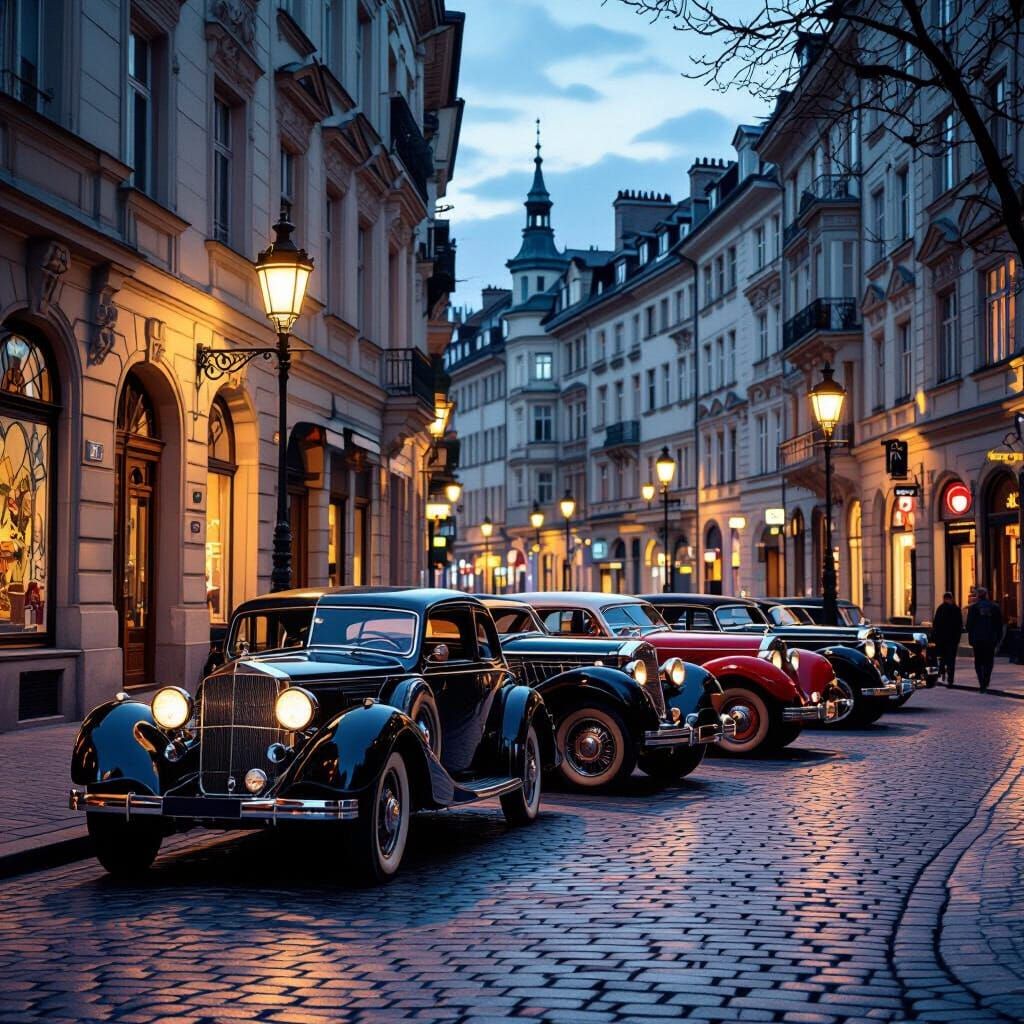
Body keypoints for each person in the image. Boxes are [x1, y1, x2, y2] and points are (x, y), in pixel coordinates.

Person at [965, 587, 1003, 692]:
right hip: (990, 639)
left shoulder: (973, 608)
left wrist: (971, 637)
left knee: (978, 661)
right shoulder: (994, 607)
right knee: (988, 661)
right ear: (987, 595)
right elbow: (999, 625)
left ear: (978, 596)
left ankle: (982, 682)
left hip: (977, 640)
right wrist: (998, 638)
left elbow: (969, 625)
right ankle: (986, 680)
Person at [932, 592, 963, 686]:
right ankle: (950, 679)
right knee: (951, 660)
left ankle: (942, 672)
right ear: (951, 598)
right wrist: (957, 638)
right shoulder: (956, 609)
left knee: (943, 658)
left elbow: (935, 624)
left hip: (942, 640)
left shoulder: (941, 609)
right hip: (952, 640)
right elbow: (959, 625)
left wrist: (936, 638)